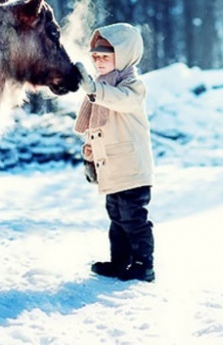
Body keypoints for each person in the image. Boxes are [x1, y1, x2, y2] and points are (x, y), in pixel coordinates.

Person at [74, 23, 155, 282]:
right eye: (95, 57)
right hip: (113, 170)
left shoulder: (132, 87)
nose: (98, 62)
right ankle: (120, 262)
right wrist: (90, 158)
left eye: (105, 57)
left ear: (123, 55)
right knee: (117, 219)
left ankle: (144, 265)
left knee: (134, 219)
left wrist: (94, 90)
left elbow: (119, 99)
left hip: (132, 169)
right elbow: (95, 130)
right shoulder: (100, 89)